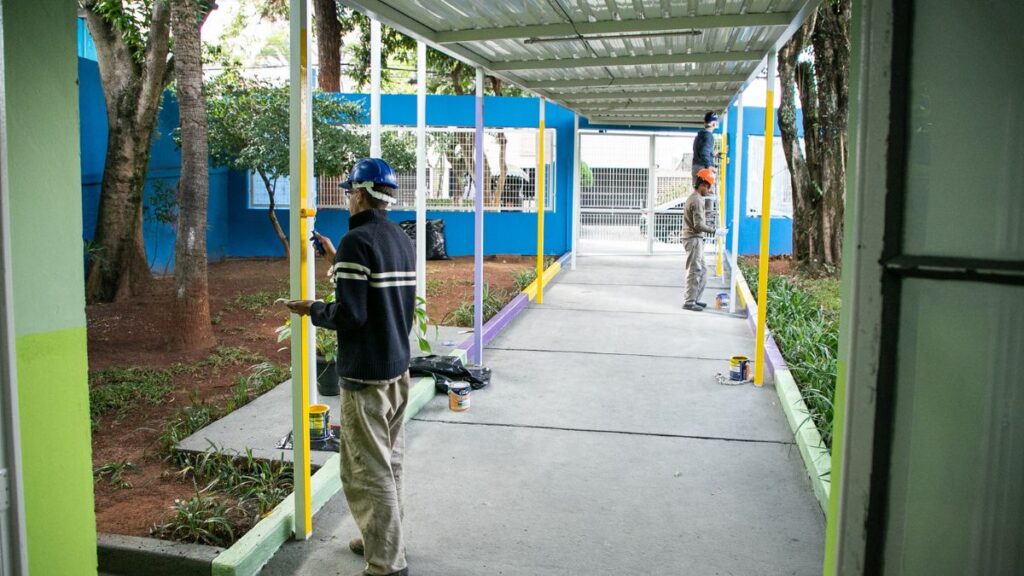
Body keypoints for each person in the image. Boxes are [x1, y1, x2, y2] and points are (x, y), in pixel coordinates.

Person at [286, 158, 416, 576]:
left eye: (348, 191)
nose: (346, 198)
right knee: (388, 462)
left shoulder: (356, 244)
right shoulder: (399, 238)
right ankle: (378, 540)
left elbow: (352, 315)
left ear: (359, 194)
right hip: (398, 369)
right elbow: (376, 297)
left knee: (366, 470)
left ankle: (386, 563)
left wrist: (311, 309)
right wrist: (333, 260)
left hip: (366, 377)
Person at [682, 168, 726, 312]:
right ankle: (689, 301)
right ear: (702, 184)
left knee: (703, 271)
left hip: (695, 239)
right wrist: (715, 231)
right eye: (708, 187)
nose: (709, 190)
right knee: (695, 270)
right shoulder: (696, 200)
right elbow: (698, 225)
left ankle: (695, 299)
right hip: (693, 239)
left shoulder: (695, 198)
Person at [692, 111, 719, 185]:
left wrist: (712, 154)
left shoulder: (699, 136)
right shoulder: (709, 136)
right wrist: (709, 166)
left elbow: (699, 150)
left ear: (704, 122)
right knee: (709, 194)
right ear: (714, 123)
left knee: (697, 193)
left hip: (695, 167)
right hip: (704, 169)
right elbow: (704, 152)